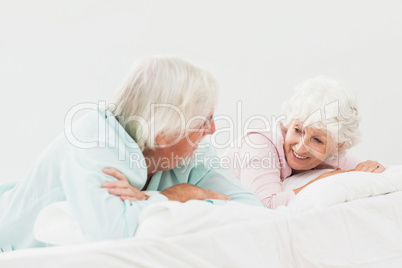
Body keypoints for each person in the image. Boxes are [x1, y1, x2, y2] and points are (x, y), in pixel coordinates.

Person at [0, 56, 261, 252]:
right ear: (165, 133)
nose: (213, 129)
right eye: (205, 120)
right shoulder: (93, 142)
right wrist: (172, 197)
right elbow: (114, 235)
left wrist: (185, 196)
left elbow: (252, 211)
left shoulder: (195, 153)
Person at [222, 76, 386, 209]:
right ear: (290, 122)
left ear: (336, 147)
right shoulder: (259, 144)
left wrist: (374, 167)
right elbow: (264, 206)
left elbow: (386, 173)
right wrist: (320, 182)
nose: (300, 148)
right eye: (298, 130)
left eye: (317, 140)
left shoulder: (331, 155)